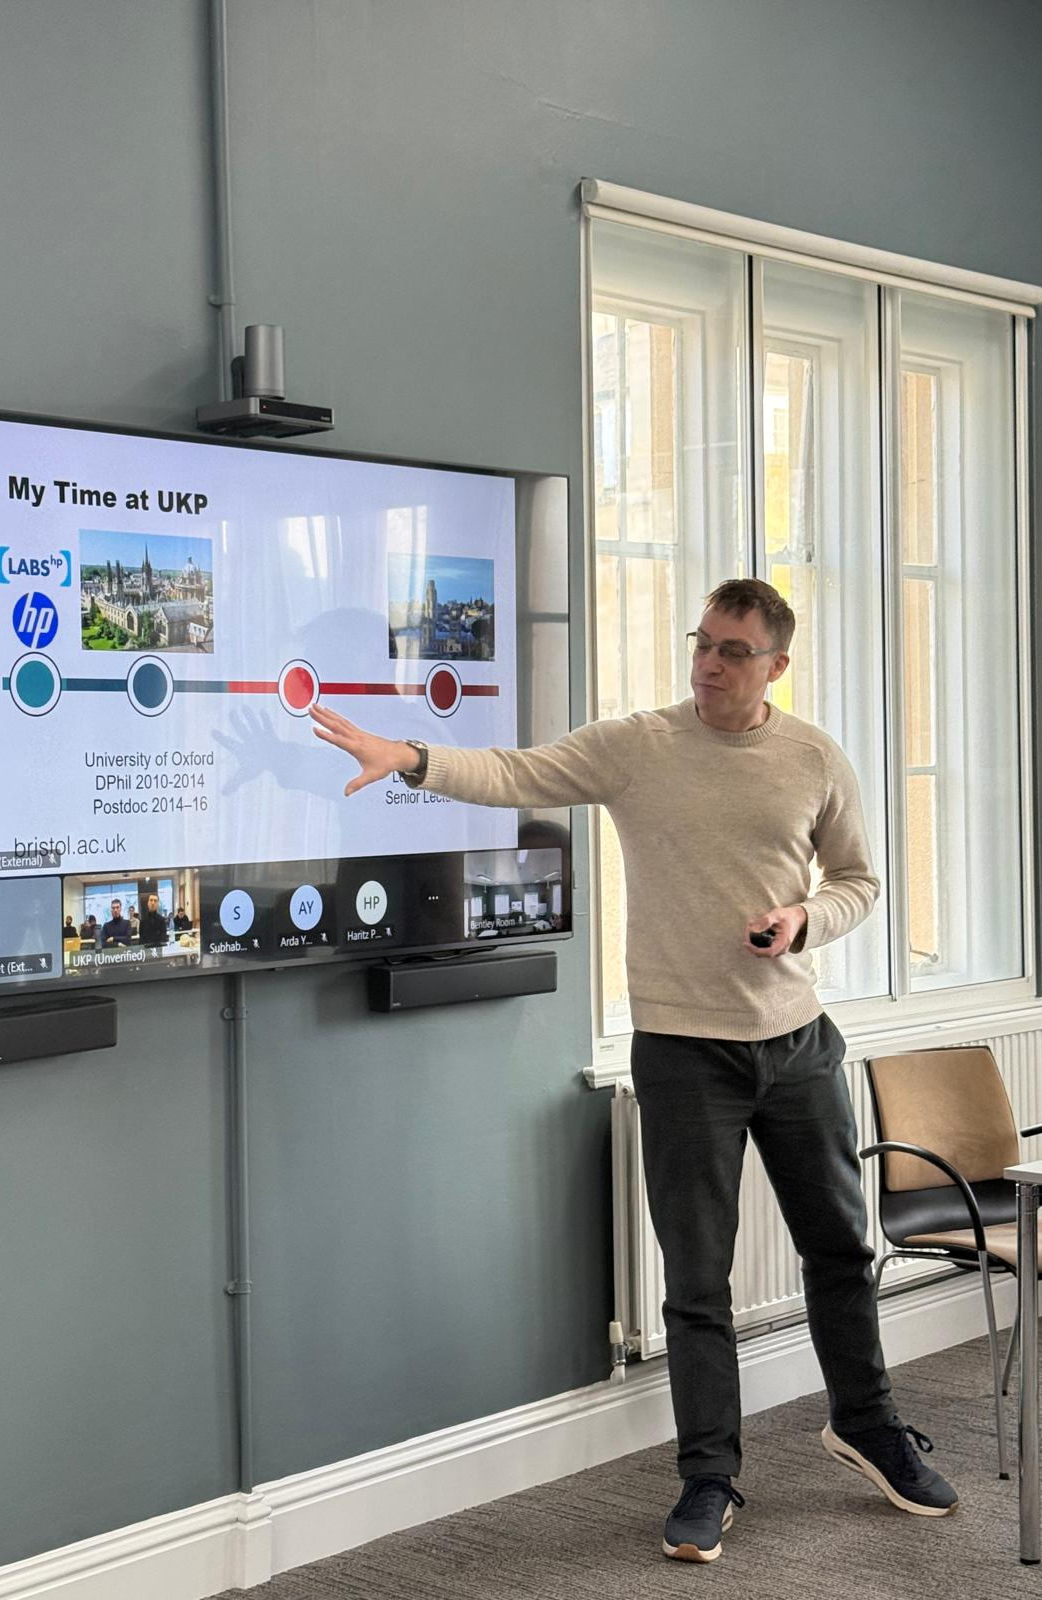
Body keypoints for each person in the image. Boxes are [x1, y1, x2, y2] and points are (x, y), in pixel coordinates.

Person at [309, 577, 959, 1563]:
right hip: (683, 1053)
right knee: (697, 1280)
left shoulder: (814, 757)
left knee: (840, 1248)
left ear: (777, 665)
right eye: (702, 642)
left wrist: (802, 921)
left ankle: (866, 1425)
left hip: (798, 1043)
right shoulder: (639, 747)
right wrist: (410, 756)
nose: (709, 663)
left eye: (733, 650)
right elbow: (519, 773)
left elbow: (859, 882)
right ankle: (709, 1477)